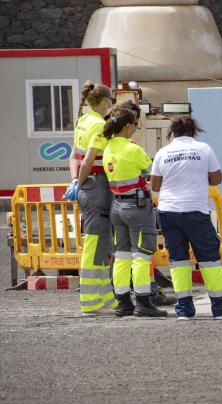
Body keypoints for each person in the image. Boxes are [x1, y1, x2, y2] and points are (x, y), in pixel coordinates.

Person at [150, 116, 222, 320]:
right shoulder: (203, 149)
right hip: (194, 210)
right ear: (193, 130)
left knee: (178, 260)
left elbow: (155, 185)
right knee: (209, 258)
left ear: (173, 132)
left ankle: (184, 310)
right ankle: (221, 307)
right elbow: (216, 177)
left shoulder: (162, 152)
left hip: (168, 211)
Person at [101, 107, 166, 317]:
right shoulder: (133, 149)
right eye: (136, 125)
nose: (135, 129)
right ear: (128, 126)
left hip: (117, 207)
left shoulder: (109, 148)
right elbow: (154, 171)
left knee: (122, 255)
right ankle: (143, 301)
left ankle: (122, 301)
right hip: (136, 209)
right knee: (142, 255)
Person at [73, 81, 117, 315]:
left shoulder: (83, 120)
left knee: (102, 244)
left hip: (88, 187)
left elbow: (74, 156)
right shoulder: (100, 125)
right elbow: (89, 160)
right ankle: (91, 303)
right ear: (106, 101)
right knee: (96, 245)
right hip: (97, 186)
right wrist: (81, 182)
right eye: (111, 99)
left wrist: (76, 183)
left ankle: (106, 298)